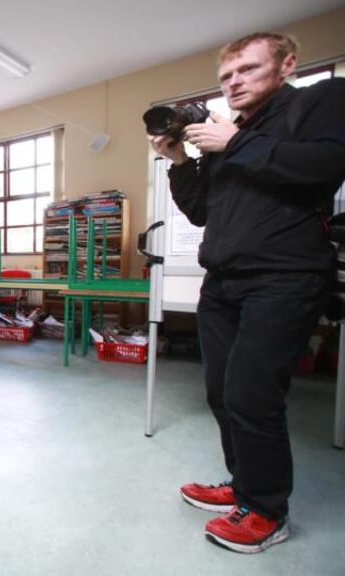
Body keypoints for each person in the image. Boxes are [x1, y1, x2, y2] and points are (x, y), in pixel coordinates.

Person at [149, 32, 345, 553]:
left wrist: (233, 143)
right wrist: (179, 160)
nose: (234, 82)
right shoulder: (227, 131)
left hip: (286, 276)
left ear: (287, 65)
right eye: (227, 76)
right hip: (224, 280)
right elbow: (203, 212)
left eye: (248, 70)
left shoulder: (318, 102)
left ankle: (266, 511)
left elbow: (326, 165)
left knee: (252, 393)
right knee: (221, 390)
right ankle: (244, 487)